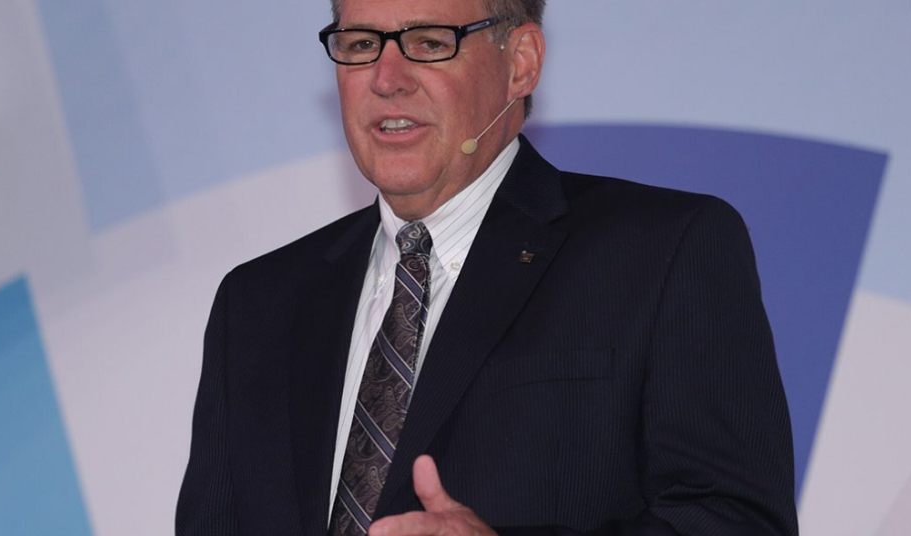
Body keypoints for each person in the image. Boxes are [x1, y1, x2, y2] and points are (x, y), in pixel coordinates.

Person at [176, 0, 799, 534]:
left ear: (520, 62)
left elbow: (735, 521)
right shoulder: (258, 301)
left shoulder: (662, 250)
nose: (386, 79)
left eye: (429, 43)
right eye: (361, 44)